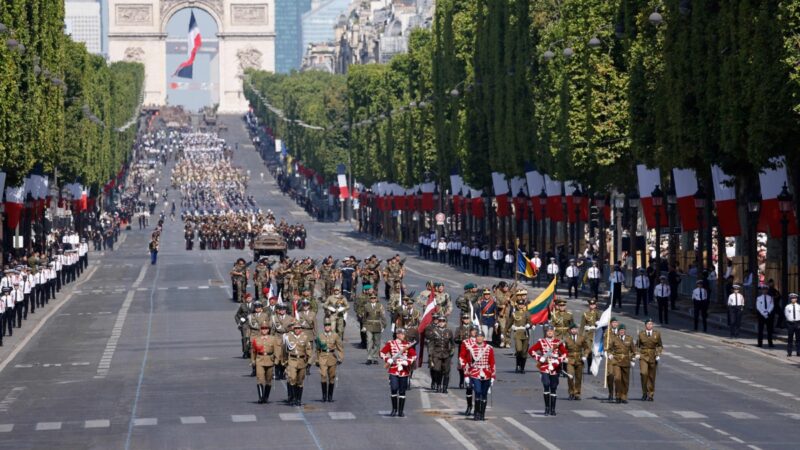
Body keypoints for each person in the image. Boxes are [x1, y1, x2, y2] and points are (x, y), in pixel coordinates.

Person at [528, 324, 567, 416]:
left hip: (555, 367)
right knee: (546, 385)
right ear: (545, 332)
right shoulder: (541, 342)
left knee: (553, 387)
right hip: (545, 367)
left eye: (551, 331)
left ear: (553, 332)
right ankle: (546, 408)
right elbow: (531, 350)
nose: (550, 332)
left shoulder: (558, 342)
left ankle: (553, 409)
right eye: (548, 331)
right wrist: (539, 358)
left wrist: (558, 361)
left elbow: (565, 353)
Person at [380, 328, 417, 417]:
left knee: (402, 391)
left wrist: (407, 362)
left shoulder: (407, 345)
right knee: (393, 388)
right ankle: (394, 409)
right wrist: (388, 359)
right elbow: (382, 353)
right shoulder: (391, 343)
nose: (403, 335)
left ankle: (400, 411)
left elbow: (413, 356)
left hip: (404, 370)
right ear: (397, 335)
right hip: (393, 369)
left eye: (404, 334)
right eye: (401, 334)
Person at [460, 329, 496, 421]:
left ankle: (482, 414)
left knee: (484, 394)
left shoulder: (489, 348)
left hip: (487, 373)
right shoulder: (471, 348)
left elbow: (492, 363)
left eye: (481, 336)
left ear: (484, 338)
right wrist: (466, 376)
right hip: (475, 373)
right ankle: (476, 413)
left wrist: (493, 377)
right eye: (478, 336)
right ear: (476, 338)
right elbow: (467, 363)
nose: (479, 338)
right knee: (477, 392)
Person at [251, 322, 282, 404]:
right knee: (260, 379)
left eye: (266, 329)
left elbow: (277, 350)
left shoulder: (273, 339)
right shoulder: (256, 339)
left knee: (268, 380)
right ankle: (260, 398)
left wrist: (276, 360)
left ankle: (266, 397)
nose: (264, 330)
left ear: (268, 330)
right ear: (260, 330)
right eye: (263, 329)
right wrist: (253, 360)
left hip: (270, 360)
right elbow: (253, 351)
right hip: (260, 360)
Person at [314, 319, 344, 402]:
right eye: (326, 325)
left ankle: (330, 396)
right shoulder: (320, 336)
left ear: (331, 326)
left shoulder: (335, 336)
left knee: (331, 377)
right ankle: (324, 396)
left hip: (332, 357)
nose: (327, 327)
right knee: (323, 376)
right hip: (322, 357)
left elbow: (340, 347)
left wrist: (340, 358)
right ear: (324, 327)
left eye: (328, 325)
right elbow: (317, 349)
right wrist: (316, 360)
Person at [284, 322, 313, 406]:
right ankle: (293, 398)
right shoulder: (289, 337)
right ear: (293, 329)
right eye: (296, 328)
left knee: (300, 381)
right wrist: (285, 361)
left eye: (299, 328)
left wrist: (308, 360)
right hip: (292, 359)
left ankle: (298, 399)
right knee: (292, 378)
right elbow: (285, 349)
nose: (297, 330)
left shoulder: (305, 337)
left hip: (302, 360)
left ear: (301, 329)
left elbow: (309, 349)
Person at [607, 323, 636, 403]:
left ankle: (624, 396)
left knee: (625, 380)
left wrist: (633, 359)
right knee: (617, 379)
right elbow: (609, 349)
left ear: (625, 331)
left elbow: (634, 351)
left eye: (623, 330)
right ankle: (618, 395)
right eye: (620, 330)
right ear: (618, 331)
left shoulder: (629, 339)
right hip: (616, 361)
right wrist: (609, 354)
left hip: (626, 361)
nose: (622, 332)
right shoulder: (614, 339)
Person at [425, 315, 455, 393]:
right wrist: (431, 354)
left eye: (443, 321)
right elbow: (431, 343)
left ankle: (445, 387)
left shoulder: (449, 331)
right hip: (436, 353)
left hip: (446, 353)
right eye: (440, 321)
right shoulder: (434, 331)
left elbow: (452, 343)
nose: (441, 323)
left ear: (445, 322)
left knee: (446, 371)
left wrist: (452, 351)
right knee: (437, 370)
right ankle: (438, 385)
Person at [636, 318, 663, 401]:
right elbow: (637, 345)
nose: (649, 325)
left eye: (651, 324)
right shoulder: (641, 334)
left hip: (653, 356)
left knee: (651, 376)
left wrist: (658, 354)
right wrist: (637, 354)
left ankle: (650, 394)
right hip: (643, 356)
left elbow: (660, 345)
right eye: (648, 324)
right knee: (643, 373)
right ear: (645, 325)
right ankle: (644, 393)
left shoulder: (657, 334)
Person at [506, 291, 531, 373]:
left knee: (524, 352)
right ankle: (517, 365)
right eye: (519, 304)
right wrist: (504, 333)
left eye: (522, 304)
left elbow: (530, 322)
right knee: (519, 350)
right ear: (517, 305)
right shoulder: (514, 314)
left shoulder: (527, 313)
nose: (521, 306)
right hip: (517, 334)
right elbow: (509, 323)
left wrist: (529, 325)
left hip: (525, 334)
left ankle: (522, 368)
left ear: (524, 305)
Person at [563, 322, 590, 400]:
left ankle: (577, 393)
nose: (574, 330)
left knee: (578, 378)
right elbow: (562, 350)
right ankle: (571, 392)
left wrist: (585, 355)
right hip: (570, 359)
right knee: (570, 376)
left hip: (579, 359)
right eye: (572, 329)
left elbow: (587, 348)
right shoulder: (566, 339)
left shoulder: (582, 338)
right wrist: (564, 357)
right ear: (570, 330)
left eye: (575, 329)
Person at [363, 293, 387, 365]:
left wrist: (384, 326)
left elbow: (383, 316)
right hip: (369, 325)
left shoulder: (380, 306)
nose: (373, 299)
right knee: (369, 341)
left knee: (377, 342)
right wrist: (364, 325)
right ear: (370, 299)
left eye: (374, 298)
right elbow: (364, 317)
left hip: (377, 326)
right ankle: (369, 357)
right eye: (371, 298)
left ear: (376, 299)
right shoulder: (366, 306)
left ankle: (375, 357)